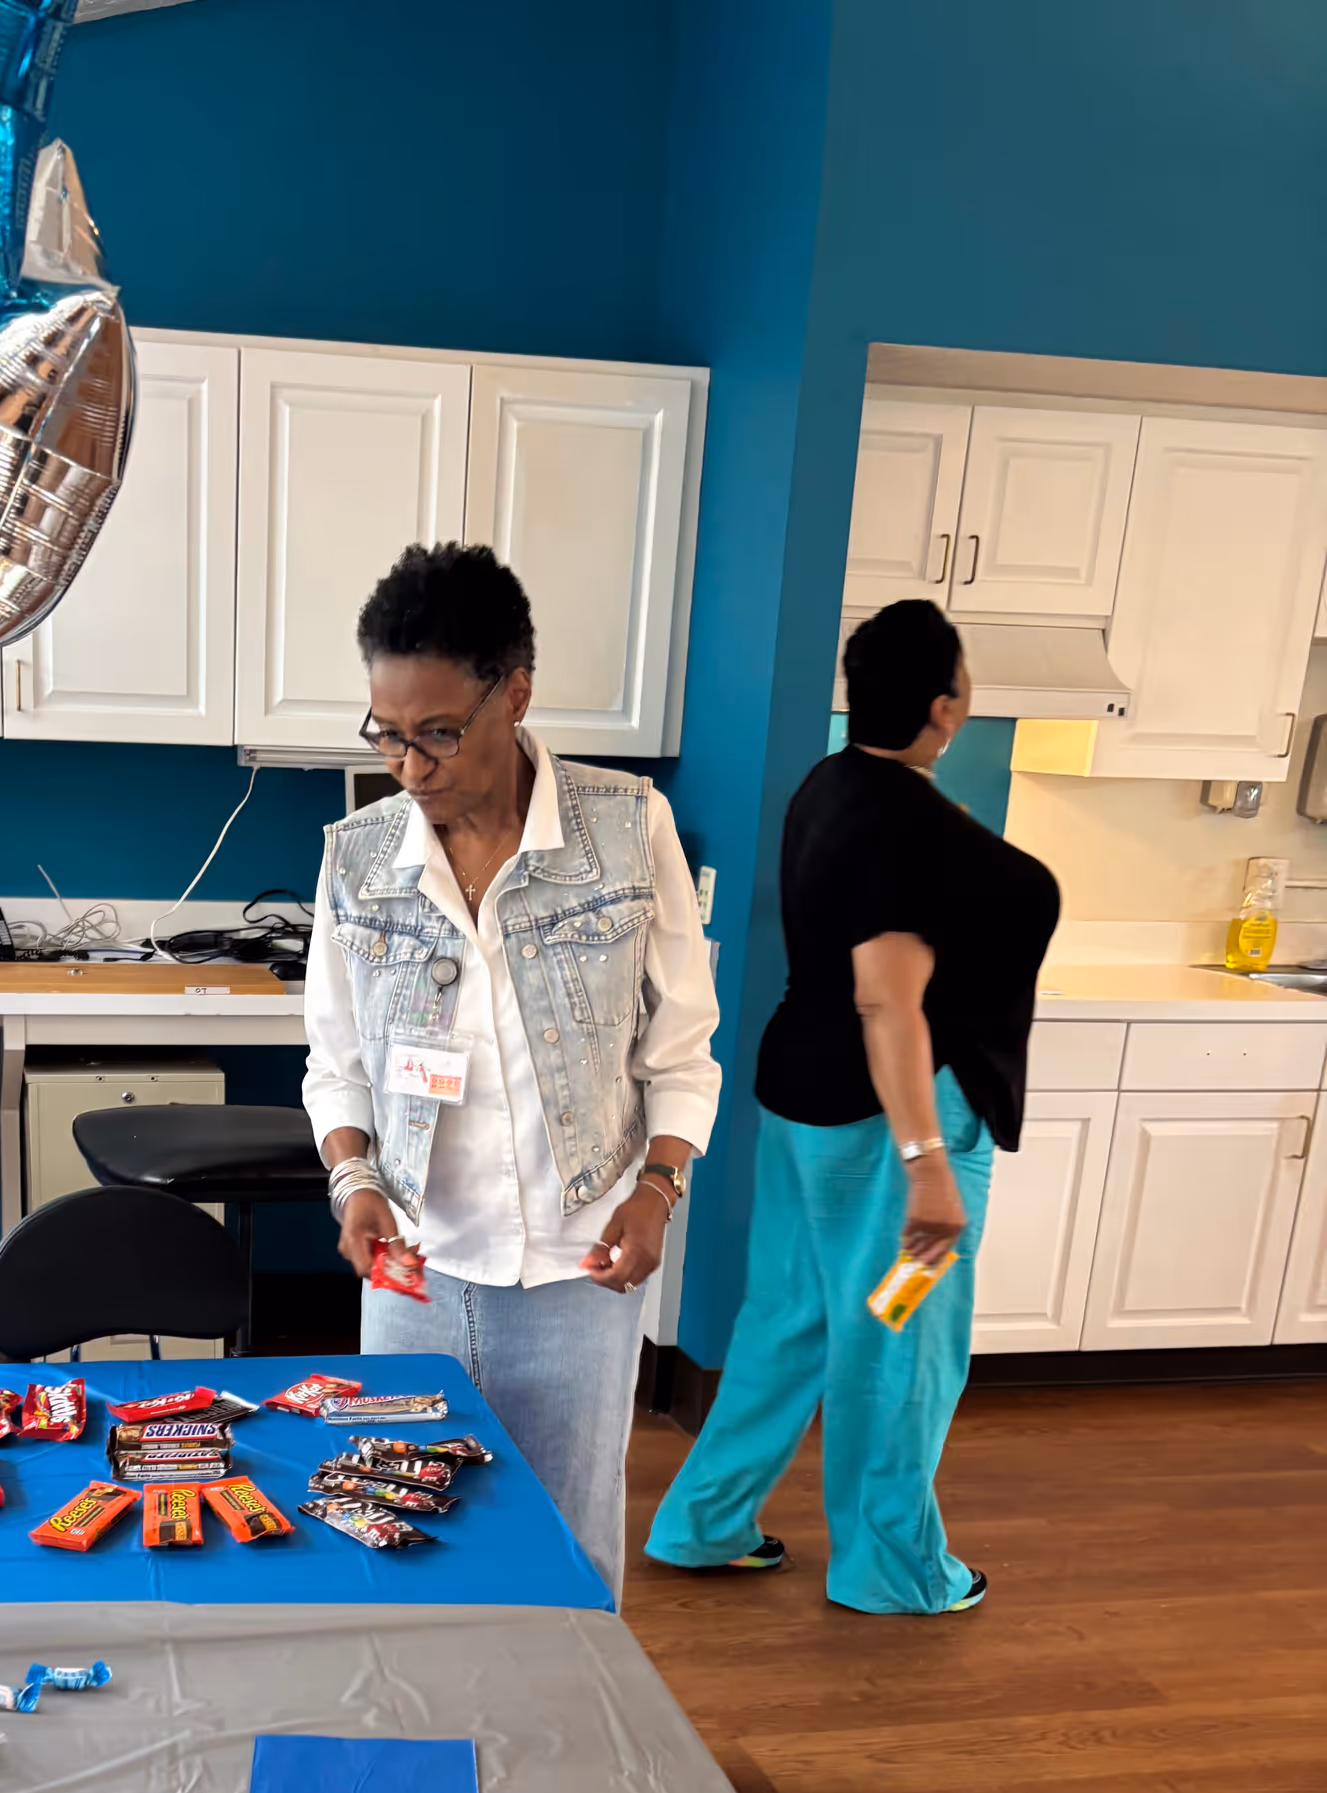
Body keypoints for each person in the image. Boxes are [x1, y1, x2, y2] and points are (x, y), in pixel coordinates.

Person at [301, 542, 720, 1601]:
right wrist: (353, 1182)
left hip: (581, 1273)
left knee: (567, 1552)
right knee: (395, 1527)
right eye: (388, 735)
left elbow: (678, 1049)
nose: (410, 766)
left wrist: (660, 1190)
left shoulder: (627, 831)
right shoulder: (358, 855)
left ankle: (571, 1759)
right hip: (415, 1272)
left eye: (438, 733)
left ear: (516, 693)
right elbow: (336, 1062)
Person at [645, 598, 1059, 1613]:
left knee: (791, 1318)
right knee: (898, 1331)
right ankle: (896, 1567)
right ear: (944, 704)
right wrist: (927, 1168)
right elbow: (888, 997)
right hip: (895, 1131)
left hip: (806, 1111)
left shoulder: (838, 784)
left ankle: (703, 1523)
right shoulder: (895, 819)